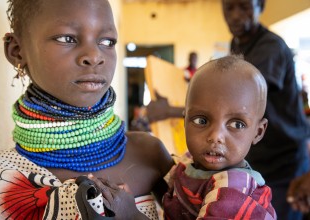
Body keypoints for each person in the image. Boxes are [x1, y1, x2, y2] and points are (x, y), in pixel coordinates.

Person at [0, 0, 174, 219]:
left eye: (107, 41)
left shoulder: (150, 153)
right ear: (17, 51)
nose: (94, 56)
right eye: (66, 38)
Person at [146, 0, 310, 218]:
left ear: (260, 7)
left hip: (283, 164)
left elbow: (233, 103)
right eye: (229, 8)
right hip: (253, 156)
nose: (235, 15)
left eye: (244, 7)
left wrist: (170, 111)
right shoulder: (239, 43)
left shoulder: (270, 48)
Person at [92, 55, 277, 219]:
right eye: (202, 121)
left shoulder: (234, 192)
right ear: (185, 120)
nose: (215, 136)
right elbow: (171, 191)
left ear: (258, 132)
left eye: (237, 124)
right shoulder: (191, 162)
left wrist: (131, 215)